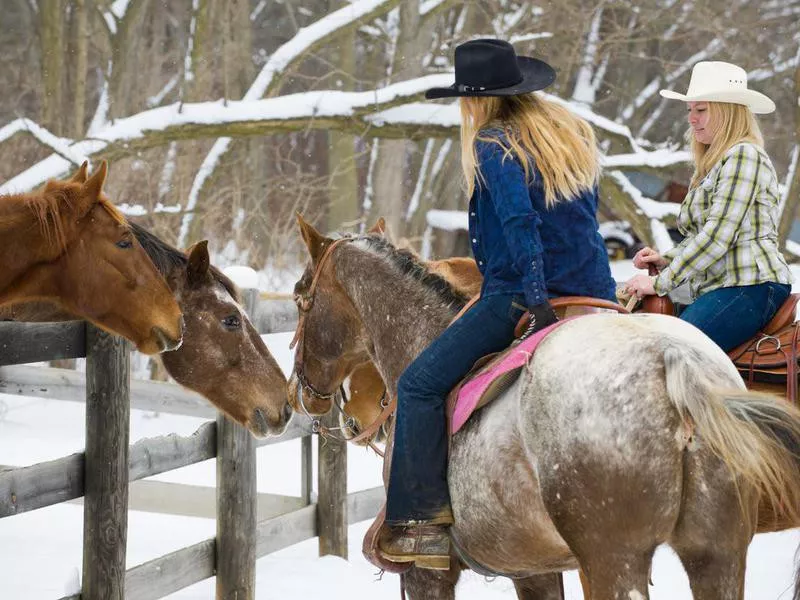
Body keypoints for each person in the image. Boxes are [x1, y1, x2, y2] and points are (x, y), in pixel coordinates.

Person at [378, 38, 616, 570]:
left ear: (477, 99)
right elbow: (582, 226)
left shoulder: (495, 141)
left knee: (417, 384)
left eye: (466, 98)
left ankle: (422, 528)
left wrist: (535, 301)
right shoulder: (567, 136)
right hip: (596, 294)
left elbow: (520, 224)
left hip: (519, 295)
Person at [625, 61, 792, 352]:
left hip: (750, 284)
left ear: (727, 112)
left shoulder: (744, 155)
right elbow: (703, 235)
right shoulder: (712, 165)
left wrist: (661, 283)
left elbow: (719, 236)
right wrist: (666, 258)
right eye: (689, 110)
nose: (692, 119)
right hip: (723, 285)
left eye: (701, 110)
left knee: (676, 349)